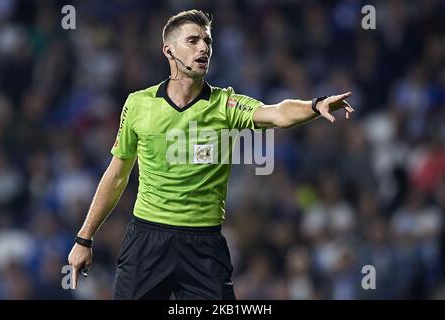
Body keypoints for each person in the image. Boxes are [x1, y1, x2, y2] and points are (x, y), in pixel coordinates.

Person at [68, 9, 354, 300]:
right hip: (147, 239)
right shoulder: (139, 104)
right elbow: (117, 175)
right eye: (193, 41)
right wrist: (84, 237)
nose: (204, 47)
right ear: (169, 50)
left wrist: (314, 104)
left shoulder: (225, 105)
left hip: (203, 246)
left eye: (207, 41)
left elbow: (277, 113)